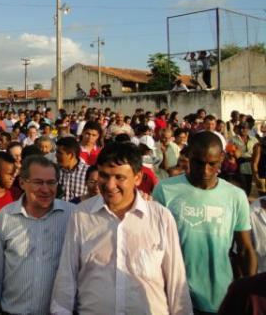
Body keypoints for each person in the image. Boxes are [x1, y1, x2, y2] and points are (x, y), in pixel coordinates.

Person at [50, 142, 192, 315]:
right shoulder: (81, 215)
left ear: (138, 178)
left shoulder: (160, 217)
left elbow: (176, 283)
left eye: (119, 177)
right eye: (104, 176)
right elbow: (67, 275)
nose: (110, 185)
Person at [153, 131, 257, 313]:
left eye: (212, 164)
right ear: (187, 156)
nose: (205, 170)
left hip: (220, 299)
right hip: (175, 298)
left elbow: (245, 250)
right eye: (199, 163)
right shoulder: (165, 190)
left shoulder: (236, 196)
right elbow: (153, 245)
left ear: (222, 158)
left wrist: (251, 294)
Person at [0, 155, 75, 315]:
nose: (45, 189)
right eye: (38, 182)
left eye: (51, 182)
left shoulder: (72, 216)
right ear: (22, 183)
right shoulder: (6, 216)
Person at [55, 137, 89, 201]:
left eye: (60, 153)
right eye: (56, 152)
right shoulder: (54, 171)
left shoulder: (87, 172)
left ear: (71, 155)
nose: (56, 155)